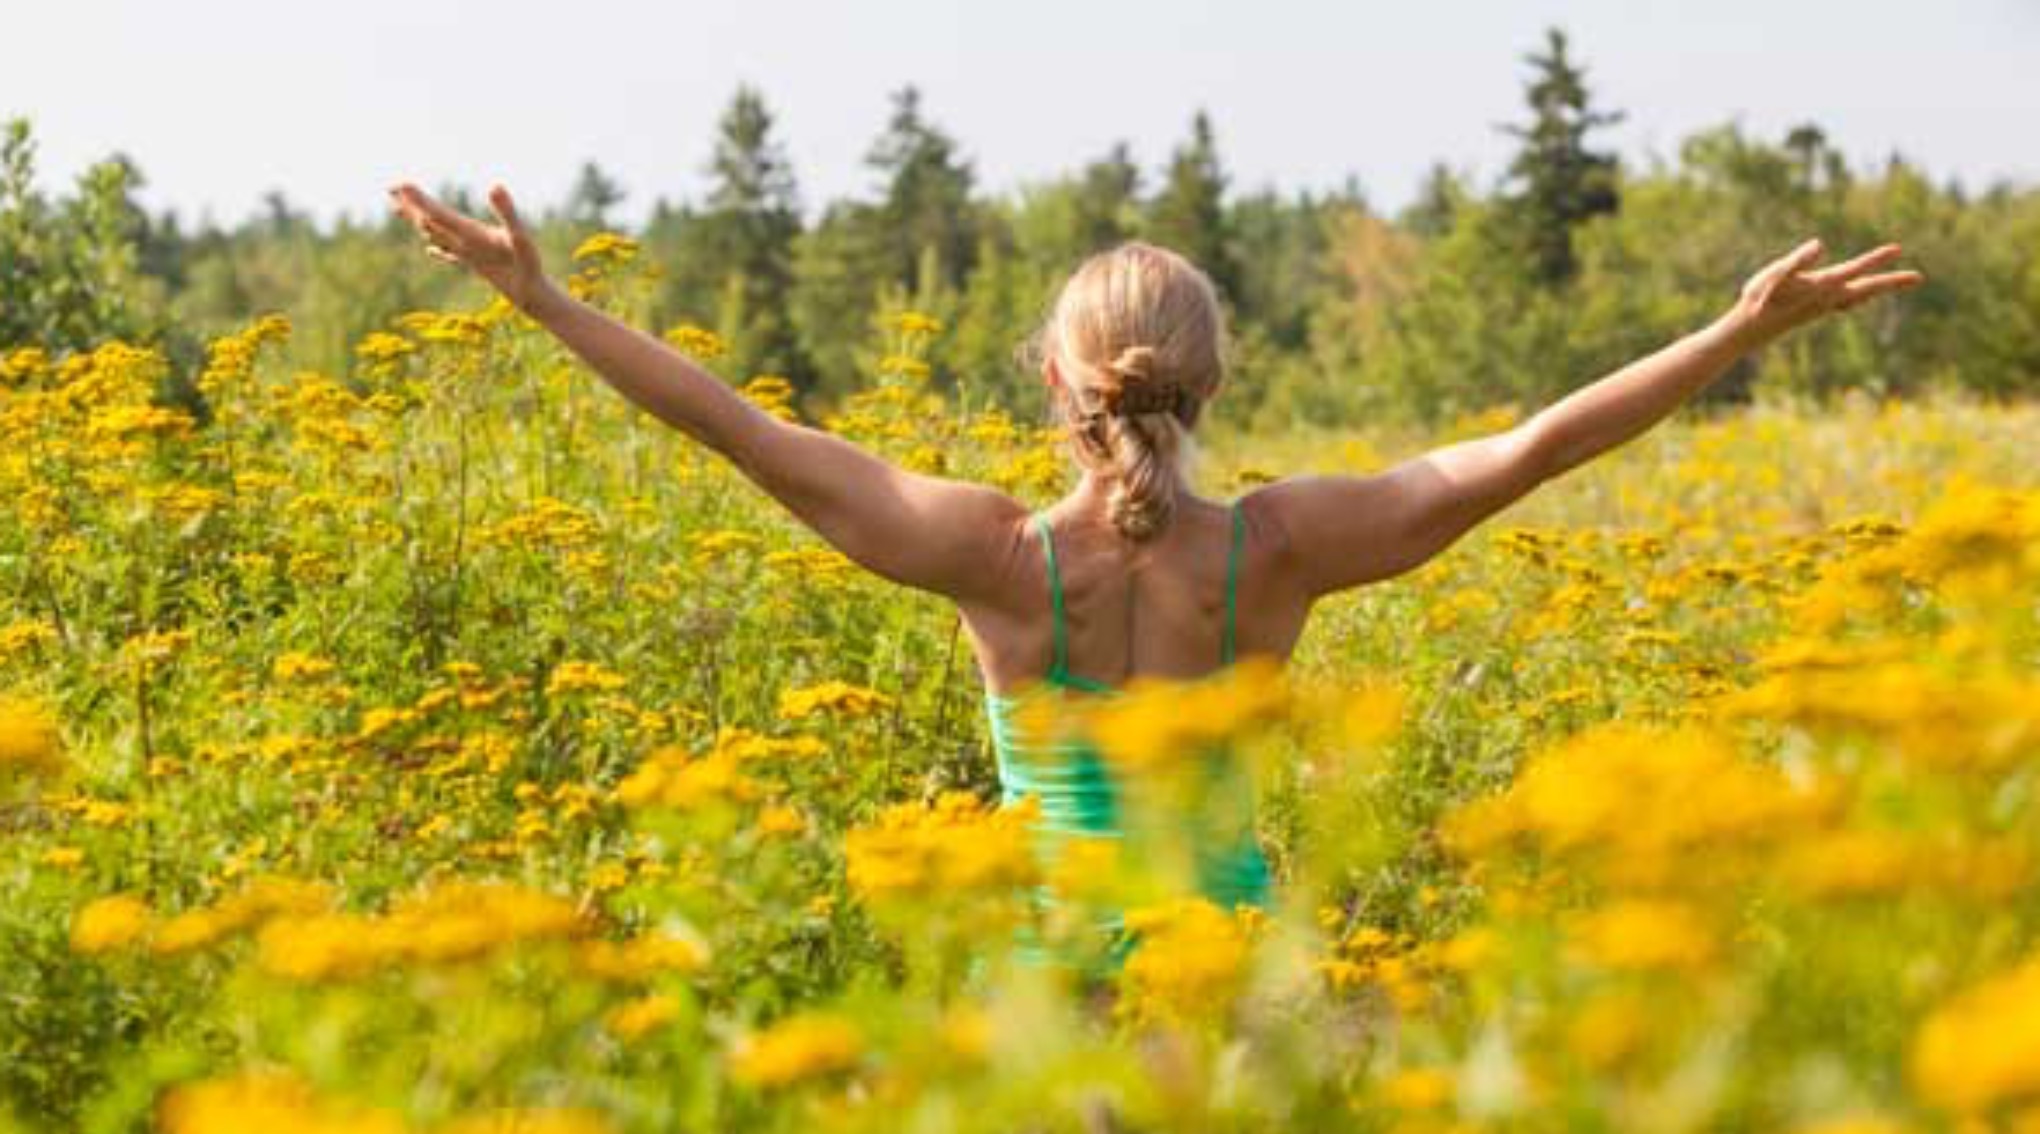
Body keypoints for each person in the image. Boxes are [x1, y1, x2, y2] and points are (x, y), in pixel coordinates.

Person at [388, 181, 1922, 977]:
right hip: (1230, 984)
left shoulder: (999, 558)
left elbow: (746, 433)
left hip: (1047, 1006)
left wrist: (548, 304)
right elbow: (1526, 450)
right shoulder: (1278, 551)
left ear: (1057, 378)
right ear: (1211, 377)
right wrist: (1732, 335)